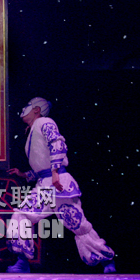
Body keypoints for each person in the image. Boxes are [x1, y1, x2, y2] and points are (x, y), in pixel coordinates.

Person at [6, 97, 115, 274]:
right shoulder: (34, 129)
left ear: (37, 110)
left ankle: (107, 259)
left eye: (28, 106)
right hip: (44, 185)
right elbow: (41, 166)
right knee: (22, 215)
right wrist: (24, 175)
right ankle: (22, 262)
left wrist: (55, 171)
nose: (24, 109)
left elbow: (57, 144)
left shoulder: (45, 122)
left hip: (59, 185)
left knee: (78, 225)